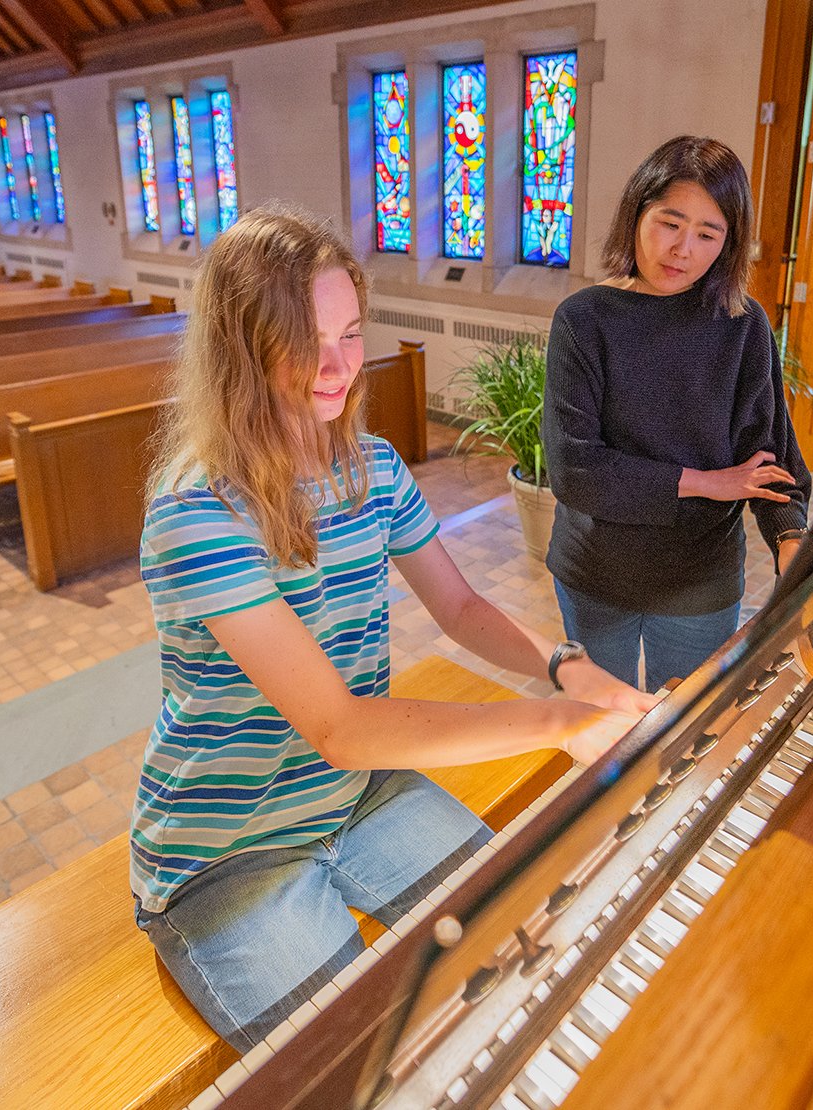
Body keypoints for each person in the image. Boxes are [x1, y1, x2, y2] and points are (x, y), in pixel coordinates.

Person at [131, 204, 656, 1052]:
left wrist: (565, 668)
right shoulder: (196, 511)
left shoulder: (371, 466)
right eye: (307, 340)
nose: (338, 366)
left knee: (521, 952)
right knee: (365, 1056)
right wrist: (553, 726)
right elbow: (338, 727)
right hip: (229, 850)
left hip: (361, 792)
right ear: (242, 344)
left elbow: (460, 607)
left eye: (349, 333)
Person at [542, 135, 812, 693]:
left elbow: (770, 454)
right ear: (637, 212)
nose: (682, 249)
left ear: (728, 245)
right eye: (669, 223)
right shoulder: (584, 320)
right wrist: (710, 484)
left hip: (700, 580)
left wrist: (791, 539)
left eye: (708, 234)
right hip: (597, 573)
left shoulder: (742, 325)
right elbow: (576, 472)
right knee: (604, 732)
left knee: (687, 738)